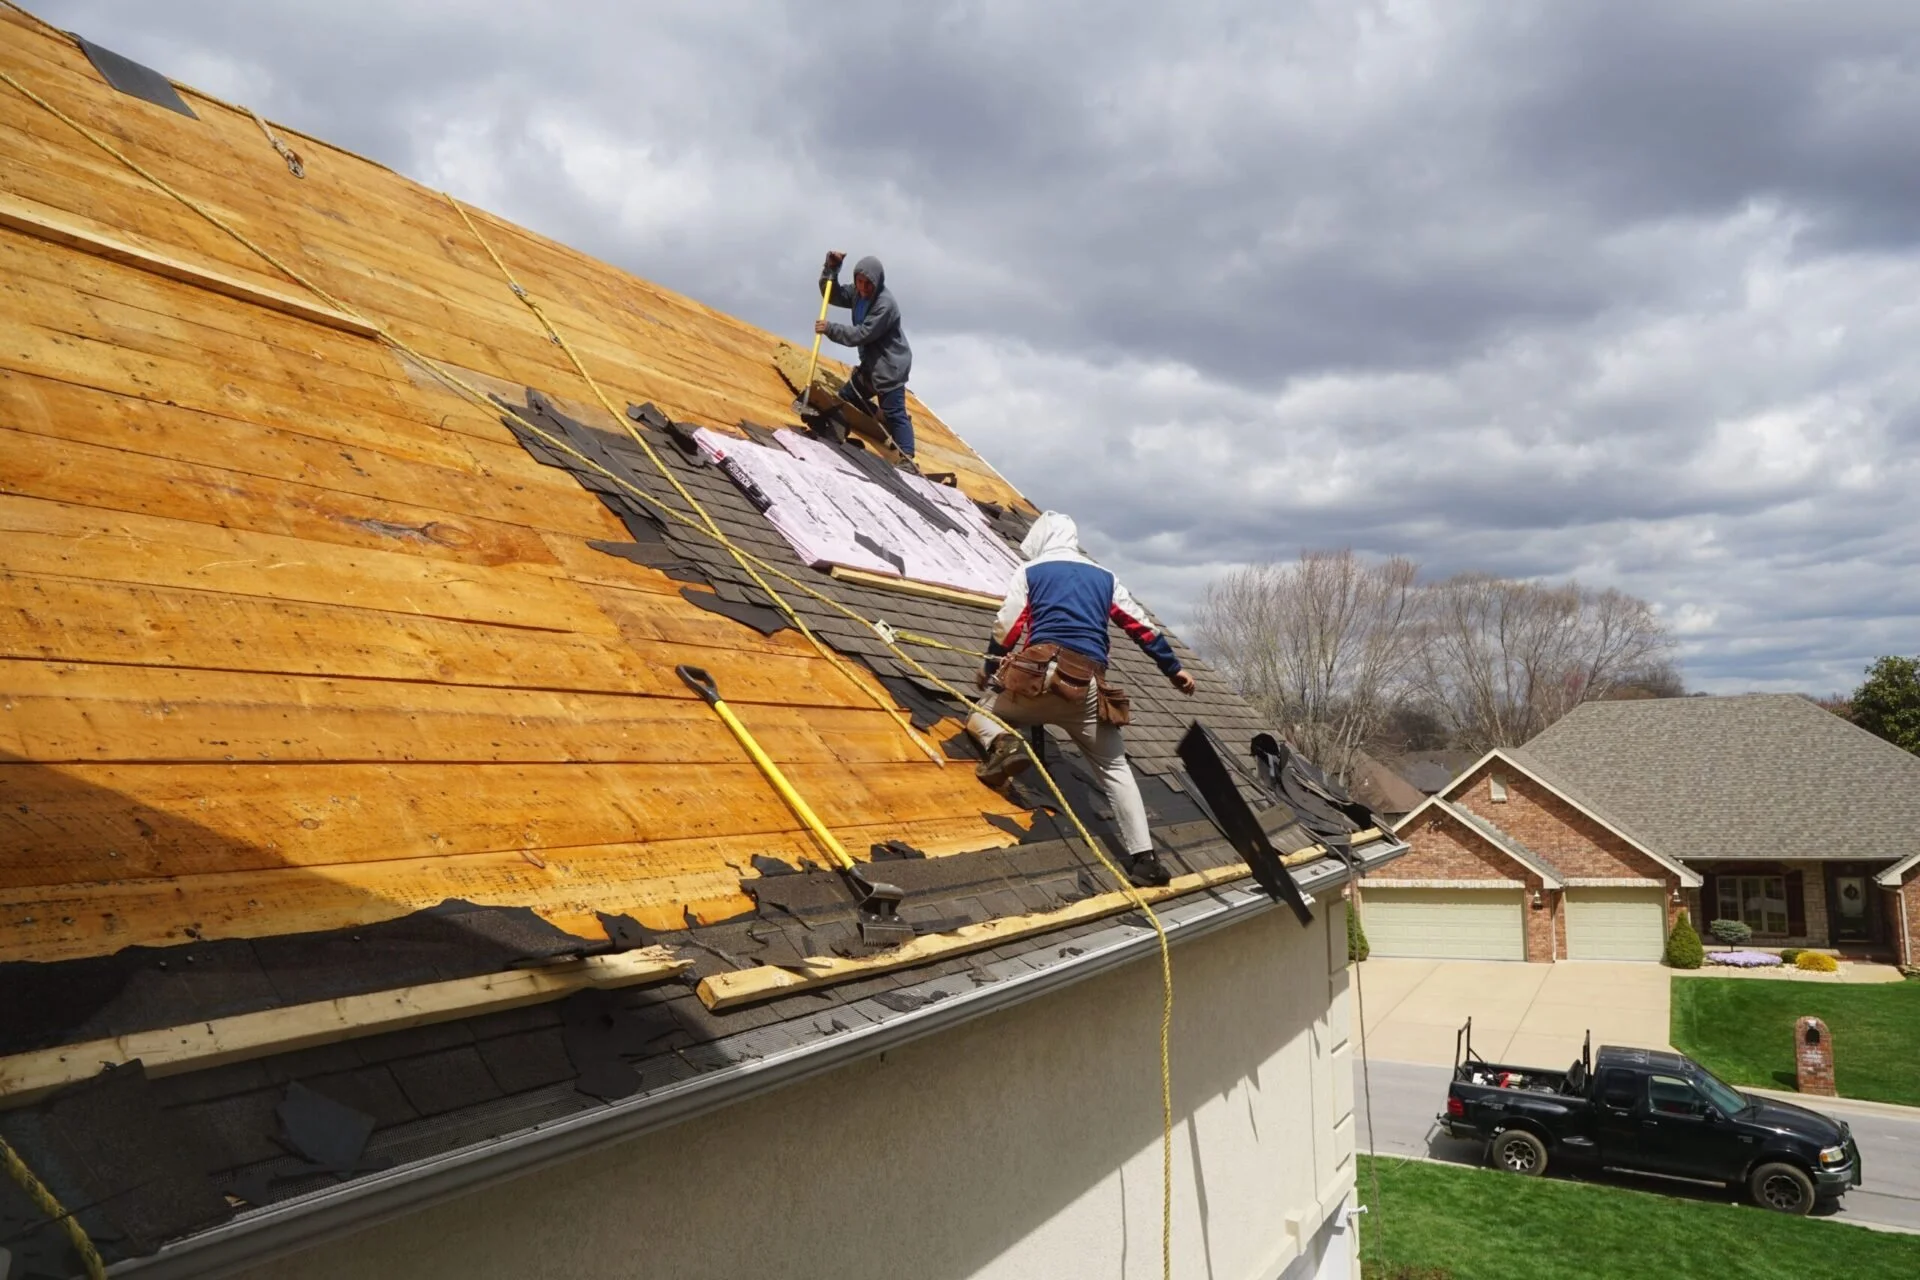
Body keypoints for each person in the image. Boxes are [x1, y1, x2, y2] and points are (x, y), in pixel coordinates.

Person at [966, 511, 1197, 887]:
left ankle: (1006, 744)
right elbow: (1142, 628)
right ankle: (1145, 860)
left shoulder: (1032, 571)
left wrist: (990, 670)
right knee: (1115, 768)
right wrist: (1174, 670)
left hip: (1038, 680)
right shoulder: (1105, 578)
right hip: (1086, 687)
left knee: (980, 714)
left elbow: (1008, 625)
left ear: (1041, 539)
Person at [815, 250, 915, 457]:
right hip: (871, 364)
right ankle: (880, 417)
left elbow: (862, 334)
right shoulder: (858, 294)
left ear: (876, 282)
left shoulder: (884, 305)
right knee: (849, 396)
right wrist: (831, 269)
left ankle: (907, 457)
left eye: (867, 284)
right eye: (859, 282)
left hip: (889, 367)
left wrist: (830, 328)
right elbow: (831, 294)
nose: (862, 288)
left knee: (896, 413)